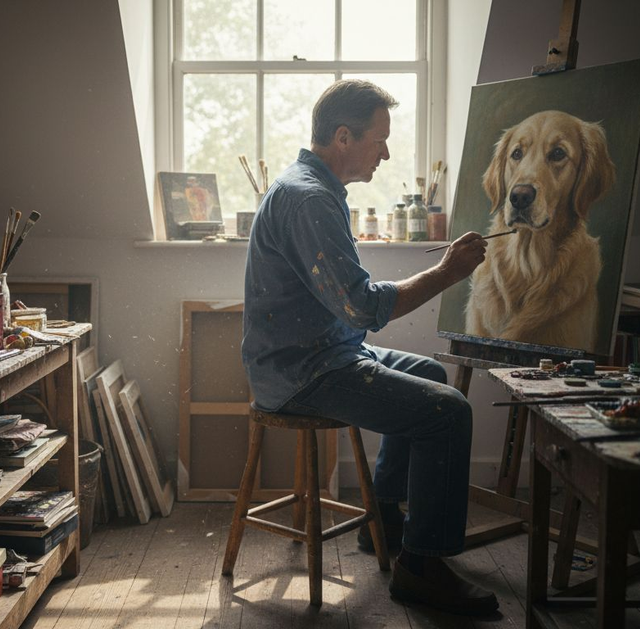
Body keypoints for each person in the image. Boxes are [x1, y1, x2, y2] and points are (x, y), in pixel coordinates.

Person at [241, 79, 497, 616]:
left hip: (323, 354)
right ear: (342, 136)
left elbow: (345, 309)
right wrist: (447, 272)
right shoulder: (308, 199)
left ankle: (382, 521)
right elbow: (361, 308)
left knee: (431, 376)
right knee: (446, 413)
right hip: (301, 374)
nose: (386, 151)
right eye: (379, 139)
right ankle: (421, 569)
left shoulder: (314, 189)